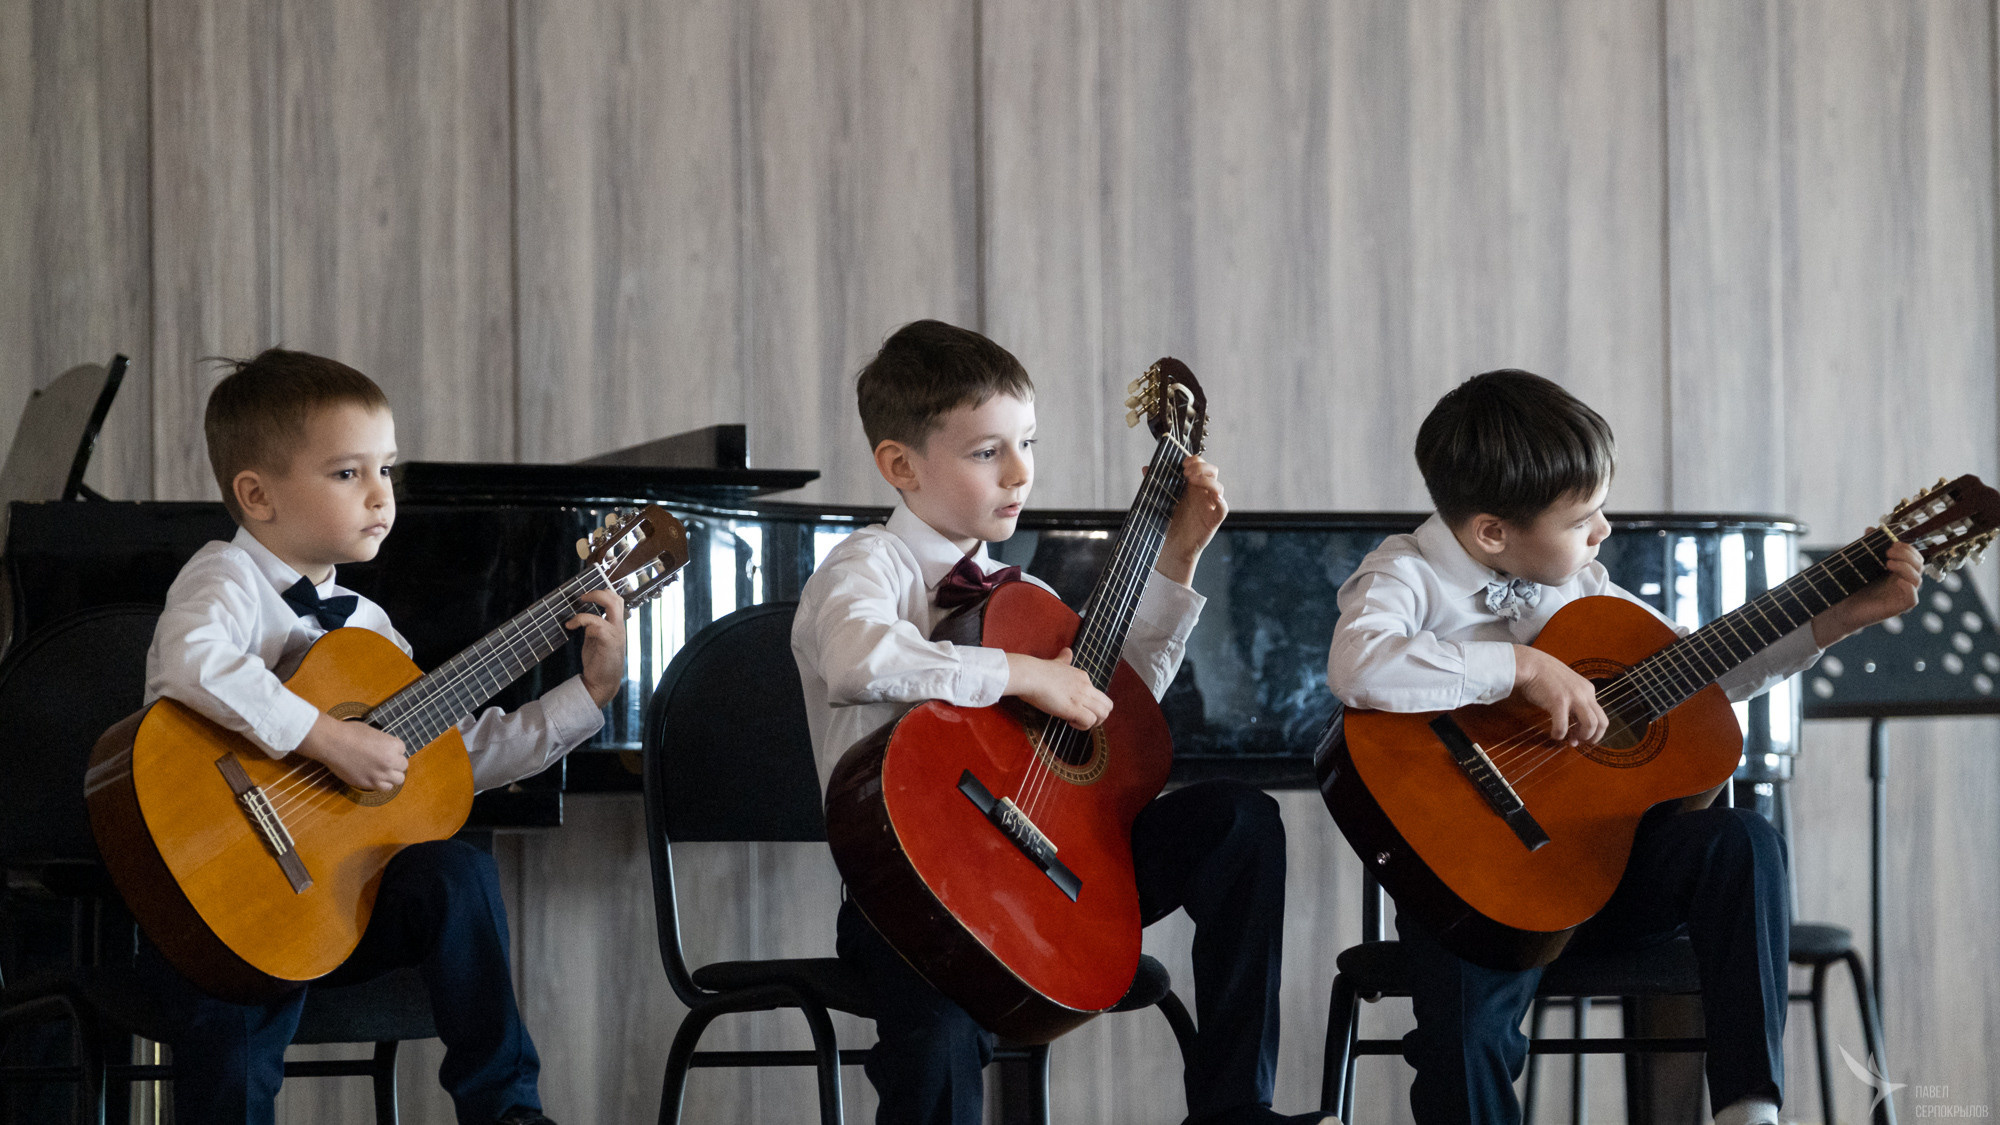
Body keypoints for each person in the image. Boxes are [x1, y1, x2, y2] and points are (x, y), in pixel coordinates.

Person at [1325, 369, 1922, 1125]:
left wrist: (1833, 620)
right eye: (1583, 519)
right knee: (1464, 1038)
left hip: (1602, 879)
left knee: (1742, 839)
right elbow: (1360, 665)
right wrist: (1522, 665)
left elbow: (1704, 670)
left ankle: (1748, 1107)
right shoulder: (1403, 572)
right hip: (1477, 893)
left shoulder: (1586, 591)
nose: (1603, 530)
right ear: (1491, 533)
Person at [792, 320, 1336, 1125]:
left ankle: (1233, 1110)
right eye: (987, 452)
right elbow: (858, 660)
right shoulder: (866, 566)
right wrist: (1022, 673)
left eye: (1029, 442)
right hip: (912, 890)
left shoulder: (1025, 596)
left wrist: (1177, 555)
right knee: (941, 1028)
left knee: (1241, 822)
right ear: (900, 465)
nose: (1020, 473)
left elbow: (1111, 707)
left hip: (1051, 870)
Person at [141, 348, 625, 1125]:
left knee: (458, 875)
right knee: (234, 1042)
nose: (380, 496)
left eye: (386, 470)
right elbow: (190, 662)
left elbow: (446, 758)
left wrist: (588, 692)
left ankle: (508, 1112)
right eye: (347, 473)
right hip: (224, 899)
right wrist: (327, 739)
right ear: (256, 495)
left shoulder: (367, 628)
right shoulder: (221, 581)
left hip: (339, 905)